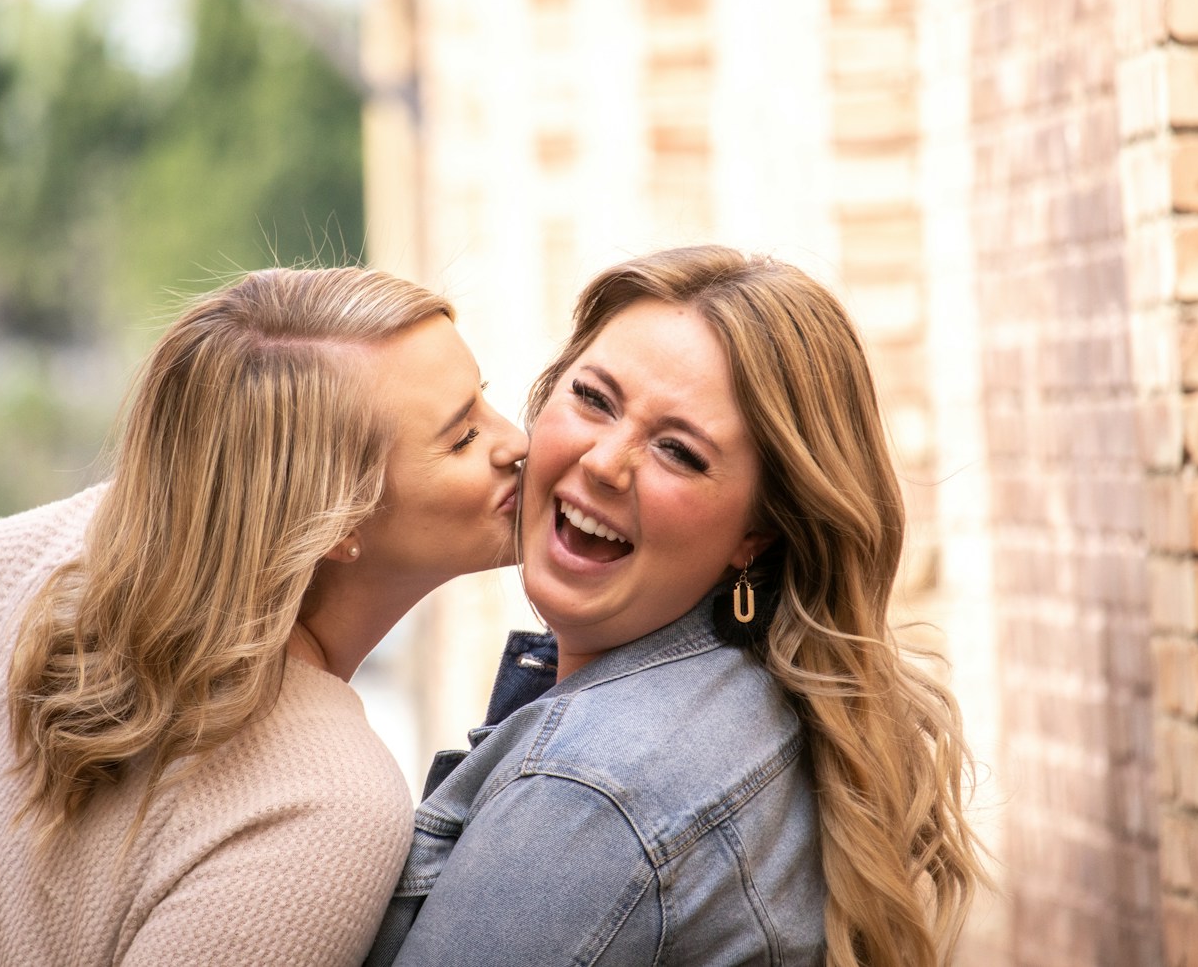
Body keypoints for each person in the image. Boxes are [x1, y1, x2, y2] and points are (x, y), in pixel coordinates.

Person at [0, 265, 528, 967]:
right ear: (336, 518)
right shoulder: (326, 802)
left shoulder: (94, 550)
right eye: (461, 438)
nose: (518, 443)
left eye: (484, 400)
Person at [368, 246, 987, 967]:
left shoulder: (592, 792)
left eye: (678, 451)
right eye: (594, 399)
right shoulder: (746, 704)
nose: (604, 460)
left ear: (756, 532)